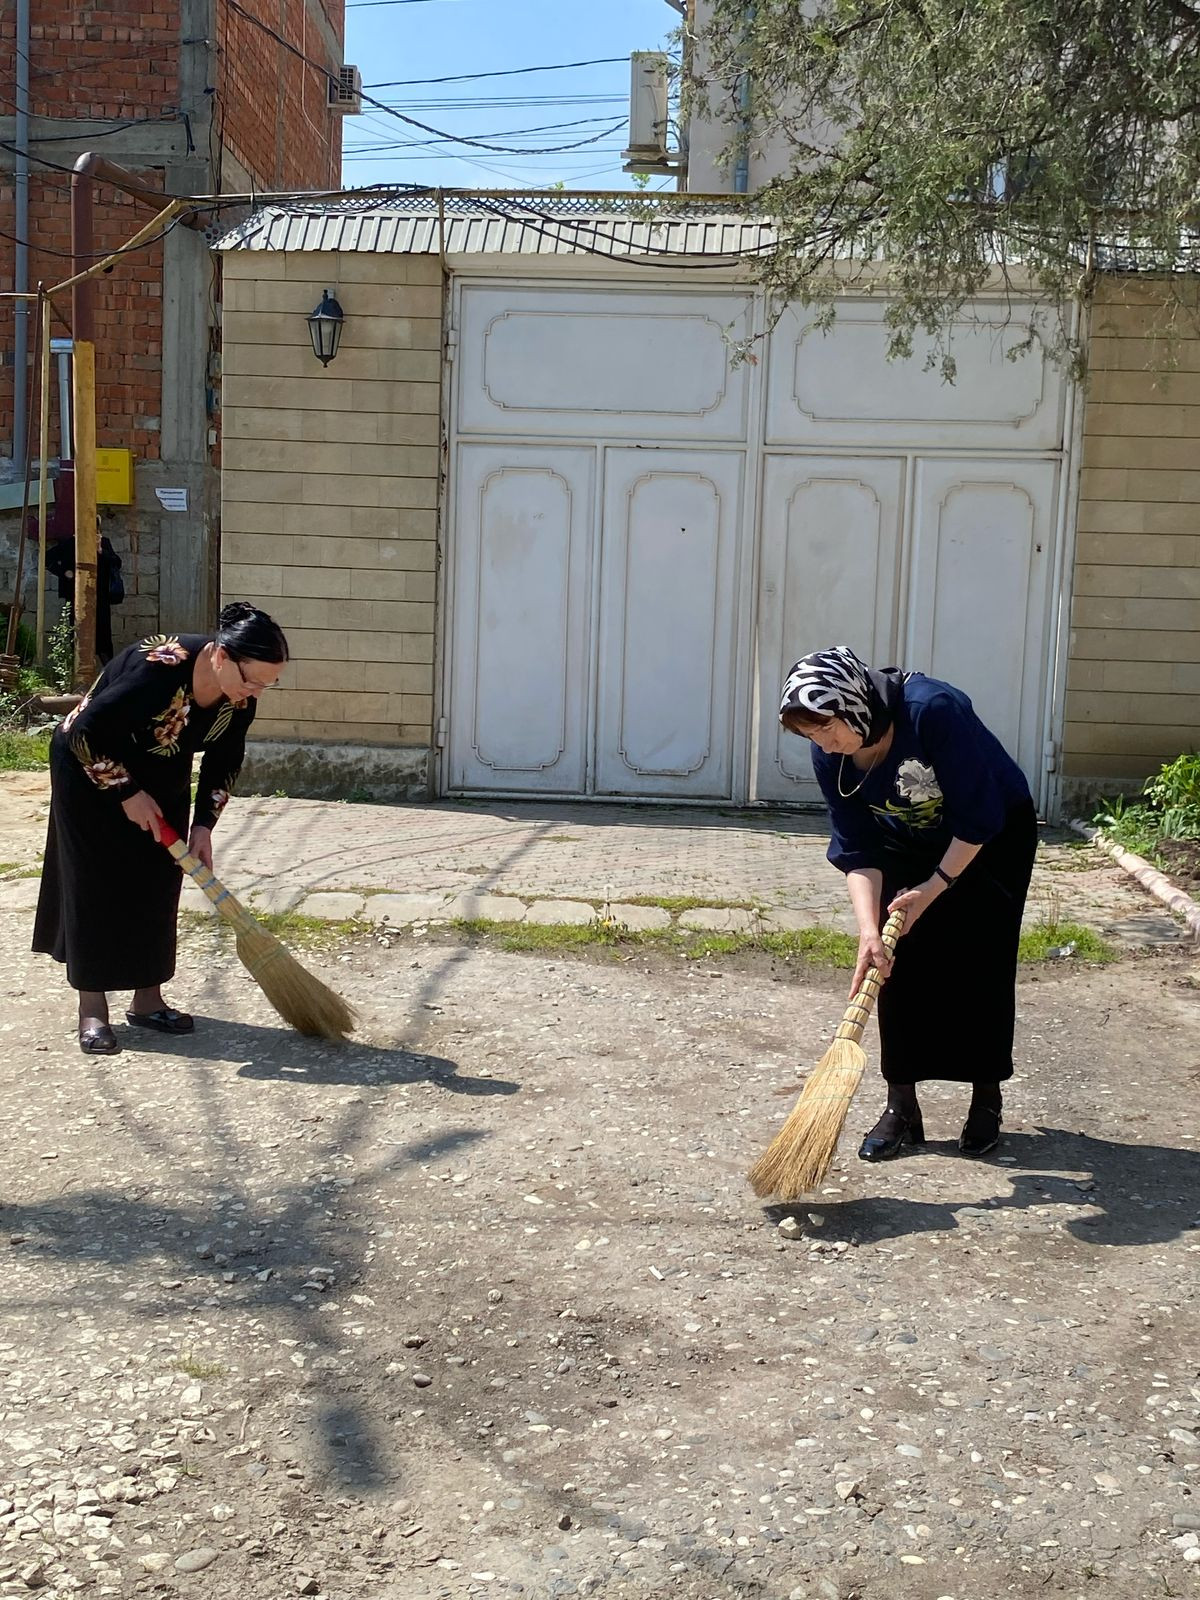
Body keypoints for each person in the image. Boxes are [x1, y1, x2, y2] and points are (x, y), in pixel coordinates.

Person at [779, 645, 1037, 1160]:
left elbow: (979, 816)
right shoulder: (828, 750)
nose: (826, 747)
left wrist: (936, 886)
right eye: (813, 737)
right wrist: (869, 930)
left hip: (990, 836)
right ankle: (902, 1107)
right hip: (904, 838)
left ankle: (986, 1098)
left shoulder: (931, 711)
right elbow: (856, 845)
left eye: (828, 730)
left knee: (980, 959)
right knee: (895, 968)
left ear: (854, 703)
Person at [33, 602, 289, 1054]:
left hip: (160, 772)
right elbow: (82, 733)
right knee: (96, 882)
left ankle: (148, 1001)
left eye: (269, 684)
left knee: (157, 880)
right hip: (89, 769)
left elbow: (223, 761)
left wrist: (204, 826)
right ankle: (92, 1008)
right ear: (221, 657)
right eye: (252, 679)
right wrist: (127, 793)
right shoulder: (159, 665)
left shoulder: (239, 700)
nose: (256, 693)